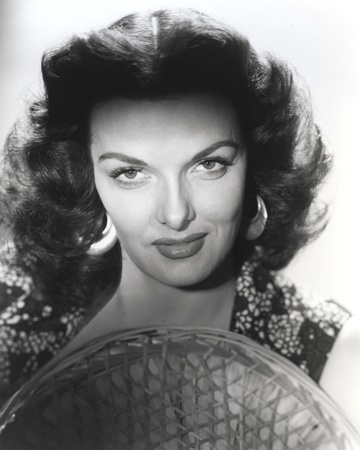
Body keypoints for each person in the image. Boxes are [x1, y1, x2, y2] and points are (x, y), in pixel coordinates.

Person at [0, 7, 358, 430]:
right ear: (85, 178)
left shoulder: (336, 359)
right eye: (130, 173)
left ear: (257, 166)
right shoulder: (12, 315)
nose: (175, 213)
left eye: (209, 164)